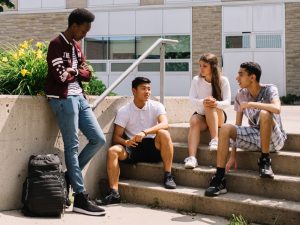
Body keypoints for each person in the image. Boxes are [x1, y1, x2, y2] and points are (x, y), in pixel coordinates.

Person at [45, 8, 106, 215]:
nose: (85, 34)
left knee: (98, 139)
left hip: (79, 97)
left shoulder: (77, 47)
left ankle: (69, 176)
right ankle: (80, 197)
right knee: (72, 145)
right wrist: (74, 71)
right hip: (63, 99)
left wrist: (73, 70)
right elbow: (60, 76)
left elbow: (88, 74)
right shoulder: (56, 44)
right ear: (74, 26)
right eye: (84, 30)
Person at [205, 62, 287, 197]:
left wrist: (251, 104)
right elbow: (236, 127)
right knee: (225, 128)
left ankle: (265, 161)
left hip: (275, 138)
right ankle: (220, 178)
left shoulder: (270, 89)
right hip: (255, 136)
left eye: (241, 74)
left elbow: (277, 109)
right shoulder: (240, 94)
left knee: (265, 113)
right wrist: (233, 156)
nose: (237, 78)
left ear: (252, 77)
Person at [95, 77, 176, 206]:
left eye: (149, 89)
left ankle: (168, 175)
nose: (147, 92)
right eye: (143, 88)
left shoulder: (156, 106)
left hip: (152, 146)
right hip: (133, 146)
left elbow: (165, 124)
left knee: (164, 133)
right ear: (134, 91)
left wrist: (145, 132)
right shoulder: (124, 111)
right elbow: (116, 137)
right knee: (112, 151)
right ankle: (114, 194)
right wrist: (126, 143)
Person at [184, 53, 231, 169]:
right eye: (200, 65)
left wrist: (215, 103)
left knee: (210, 104)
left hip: (218, 115)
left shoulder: (223, 80)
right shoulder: (196, 80)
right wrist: (203, 102)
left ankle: (215, 139)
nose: (201, 69)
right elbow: (191, 100)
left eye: (204, 66)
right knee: (194, 120)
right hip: (201, 115)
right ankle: (192, 158)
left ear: (213, 66)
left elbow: (227, 102)